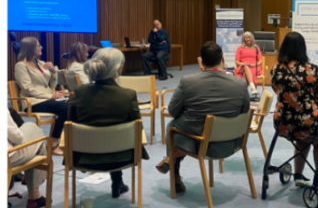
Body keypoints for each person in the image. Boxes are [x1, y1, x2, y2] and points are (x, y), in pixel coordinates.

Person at [156, 41, 250, 192]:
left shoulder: (188, 82)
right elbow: (245, 112)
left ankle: (174, 170)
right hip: (230, 144)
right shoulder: (240, 84)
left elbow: (173, 110)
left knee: (172, 126)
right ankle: (173, 162)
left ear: (202, 62)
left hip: (198, 145)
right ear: (223, 60)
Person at [67, 48, 149, 198]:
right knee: (115, 137)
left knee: (104, 136)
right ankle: (117, 182)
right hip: (122, 157)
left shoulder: (79, 91)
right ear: (118, 68)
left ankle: (118, 182)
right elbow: (138, 128)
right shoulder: (128, 95)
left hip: (84, 157)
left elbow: (70, 123)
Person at [271, 32, 318, 188]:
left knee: (302, 137)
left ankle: (298, 175)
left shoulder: (275, 69)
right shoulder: (312, 70)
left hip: (284, 124)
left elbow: (277, 90)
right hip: (308, 123)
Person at [13, 37, 69, 154]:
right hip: (32, 102)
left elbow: (52, 84)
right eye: (38, 45)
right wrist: (50, 96)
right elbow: (27, 89)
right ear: (31, 48)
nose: (41, 47)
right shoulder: (21, 66)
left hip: (46, 99)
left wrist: (53, 71)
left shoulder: (42, 64)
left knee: (74, 105)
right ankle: (54, 141)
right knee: (67, 108)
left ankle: (62, 140)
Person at [7, 108, 50, 208]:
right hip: (8, 159)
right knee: (34, 130)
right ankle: (34, 196)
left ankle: (31, 180)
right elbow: (17, 137)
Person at [234, 31, 263, 98]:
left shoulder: (256, 47)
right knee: (246, 67)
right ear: (243, 39)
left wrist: (253, 65)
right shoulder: (240, 48)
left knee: (246, 72)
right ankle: (253, 88)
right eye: (245, 38)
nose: (247, 39)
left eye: (249, 37)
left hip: (254, 67)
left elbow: (260, 61)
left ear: (252, 38)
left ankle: (243, 92)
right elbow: (237, 62)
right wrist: (244, 63)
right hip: (242, 67)